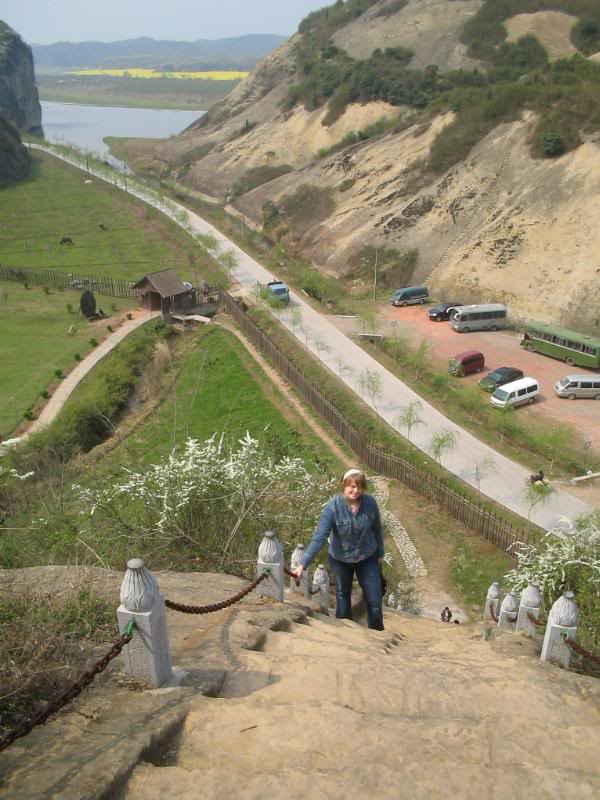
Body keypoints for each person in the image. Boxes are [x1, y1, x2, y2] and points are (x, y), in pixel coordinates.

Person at [292, 468, 385, 630]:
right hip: (341, 558)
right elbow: (319, 537)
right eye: (352, 486)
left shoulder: (370, 503)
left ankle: (377, 632)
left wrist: (380, 554)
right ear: (344, 486)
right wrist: (302, 565)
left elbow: (377, 529)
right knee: (343, 595)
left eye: (359, 487)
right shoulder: (332, 508)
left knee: (374, 597)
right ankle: (345, 630)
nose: (355, 491)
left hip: (367, 555)